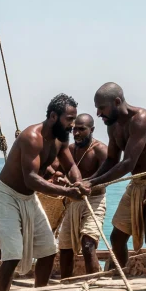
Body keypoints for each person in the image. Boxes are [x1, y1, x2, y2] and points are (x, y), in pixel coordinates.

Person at [0, 94, 87, 291]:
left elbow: (71, 166)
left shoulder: (60, 140)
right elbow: (31, 179)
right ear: (53, 116)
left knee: (48, 250)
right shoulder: (32, 138)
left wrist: (78, 183)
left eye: (74, 119)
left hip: (28, 198)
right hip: (6, 196)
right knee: (12, 254)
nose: (72, 125)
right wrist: (67, 192)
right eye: (69, 119)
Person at [79, 82, 146, 265]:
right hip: (138, 182)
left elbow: (127, 164)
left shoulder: (141, 120)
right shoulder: (113, 126)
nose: (98, 114)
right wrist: (88, 180)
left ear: (117, 101)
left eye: (101, 108)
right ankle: (122, 279)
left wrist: (92, 184)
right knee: (116, 238)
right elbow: (111, 160)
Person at [57, 114, 109, 278]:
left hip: (94, 201)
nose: (76, 133)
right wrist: (60, 178)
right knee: (64, 248)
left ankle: (94, 283)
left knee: (88, 244)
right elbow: (59, 169)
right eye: (74, 129)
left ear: (92, 129)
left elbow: (108, 178)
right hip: (73, 202)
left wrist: (88, 185)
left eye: (81, 129)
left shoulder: (100, 150)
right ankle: (65, 283)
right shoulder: (71, 150)